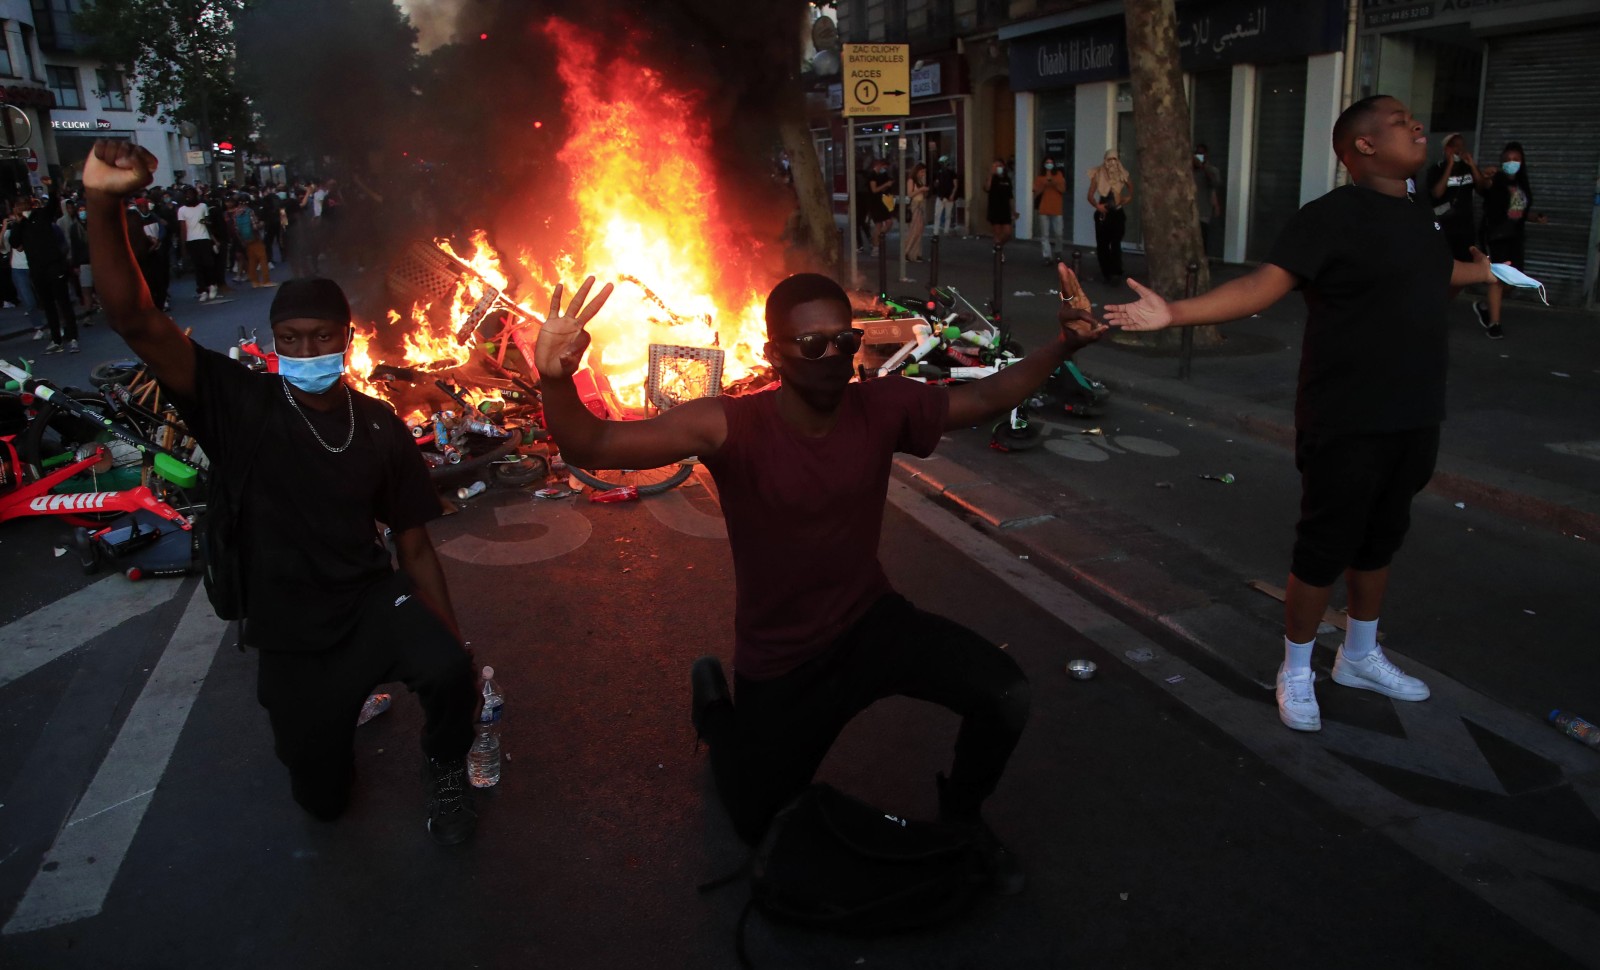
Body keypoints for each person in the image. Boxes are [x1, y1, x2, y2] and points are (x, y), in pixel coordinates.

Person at [534, 267, 1108, 892]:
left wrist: (1063, 346)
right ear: (772, 353)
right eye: (812, 345)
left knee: (1004, 693)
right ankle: (716, 707)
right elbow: (590, 444)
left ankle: (963, 821)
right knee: (758, 822)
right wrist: (556, 378)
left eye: (846, 341)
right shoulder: (729, 425)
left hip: (870, 623)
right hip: (783, 659)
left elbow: (987, 399)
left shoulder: (882, 405)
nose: (833, 356)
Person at [84, 139, 480, 845]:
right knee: (323, 799)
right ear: (273, 343)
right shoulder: (241, 405)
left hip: (367, 603)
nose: (305, 352)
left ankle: (444, 765)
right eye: (291, 340)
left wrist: (450, 638)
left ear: (347, 339)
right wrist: (102, 202)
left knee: (451, 669)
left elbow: (414, 543)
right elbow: (136, 321)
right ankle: (326, 738)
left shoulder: (380, 425)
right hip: (291, 633)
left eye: (320, 338)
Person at [1104, 95, 1501, 733]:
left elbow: (1429, 272)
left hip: (1416, 410)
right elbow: (1264, 284)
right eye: (1399, 122)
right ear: (1363, 146)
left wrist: (1481, 270)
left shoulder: (1420, 216)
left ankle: (1360, 656)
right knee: (1325, 545)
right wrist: (1174, 313)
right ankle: (1296, 667)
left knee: (1381, 538)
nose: (1416, 126)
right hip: (1346, 413)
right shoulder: (1329, 218)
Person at [1473, 141, 1547, 340]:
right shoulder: (1496, 179)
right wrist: (1482, 174)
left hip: (1515, 236)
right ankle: (1494, 324)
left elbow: (1517, 212)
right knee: (1497, 279)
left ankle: (1485, 306)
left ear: (1522, 162)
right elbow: (1482, 187)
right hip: (1495, 236)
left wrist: (1534, 218)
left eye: (1515, 159)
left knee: (1512, 282)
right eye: (1506, 159)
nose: (1510, 163)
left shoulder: (1521, 184)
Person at [10, 180, 79, 354]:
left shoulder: (42, 215)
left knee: (63, 304)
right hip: (37, 270)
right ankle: (56, 339)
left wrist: (51, 187)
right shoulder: (20, 225)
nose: (21, 208)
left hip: (54, 266)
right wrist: (18, 223)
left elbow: (53, 204)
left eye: (24, 204)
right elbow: (14, 243)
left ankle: (72, 338)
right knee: (48, 306)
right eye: (18, 206)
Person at [1085, 150, 1132, 284]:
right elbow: (1090, 195)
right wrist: (1097, 206)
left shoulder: (1122, 173)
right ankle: (1107, 272)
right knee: (1103, 244)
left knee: (1116, 242)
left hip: (1117, 212)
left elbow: (1130, 187)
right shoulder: (1098, 174)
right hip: (1103, 213)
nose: (1112, 162)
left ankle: (1116, 271)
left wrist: (1128, 197)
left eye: (1114, 159)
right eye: (1109, 159)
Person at [2, 201, 41, 341]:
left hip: (34, 265)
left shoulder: (31, 225)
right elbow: (5, 247)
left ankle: (55, 324)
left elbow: (21, 246)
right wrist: (4, 228)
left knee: (43, 297)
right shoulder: (11, 228)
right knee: (28, 301)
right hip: (18, 268)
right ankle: (38, 326)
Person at [125, 194, 170, 312]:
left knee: (161, 278)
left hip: (156, 253)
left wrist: (157, 241)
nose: (144, 208)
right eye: (141, 206)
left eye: (145, 205)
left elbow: (162, 229)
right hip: (143, 257)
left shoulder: (154, 217)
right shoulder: (135, 223)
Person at [176, 188, 221, 302]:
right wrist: (183, 245)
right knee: (198, 266)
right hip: (191, 240)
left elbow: (208, 223)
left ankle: (212, 285)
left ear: (195, 195)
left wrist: (213, 238)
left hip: (204, 238)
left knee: (208, 263)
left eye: (190, 195)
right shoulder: (182, 210)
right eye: (186, 195)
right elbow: (183, 228)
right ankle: (202, 290)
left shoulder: (203, 206)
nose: (188, 197)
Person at [1032, 155, 1066, 265]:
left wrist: (1054, 183)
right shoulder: (1039, 177)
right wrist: (1044, 185)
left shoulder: (1059, 175)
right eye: (1047, 162)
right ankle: (1047, 256)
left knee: (1059, 233)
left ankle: (1058, 252)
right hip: (1044, 208)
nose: (1049, 164)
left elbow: (1063, 189)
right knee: (1044, 234)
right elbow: (1035, 193)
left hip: (1056, 209)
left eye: (1051, 162)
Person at [1191, 144, 1222, 253]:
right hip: (1188, 211)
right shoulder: (1189, 171)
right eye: (1196, 154)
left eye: (1201, 154)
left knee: (1202, 239)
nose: (1198, 156)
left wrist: (1204, 168)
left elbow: (1215, 184)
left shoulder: (1212, 170)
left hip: (1203, 211)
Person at [866, 161, 896, 256]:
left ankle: (877, 238)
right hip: (875, 202)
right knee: (878, 224)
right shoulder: (872, 175)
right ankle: (875, 246)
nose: (885, 169)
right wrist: (886, 184)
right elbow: (874, 190)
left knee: (889, 222)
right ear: (878, 165)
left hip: (882, 201)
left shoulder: (880, 175)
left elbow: (881, 189)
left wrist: (887, 186)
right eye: (884, 167)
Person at [984, 158, 1016, 247]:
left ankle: (998, 246)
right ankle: (998, 252)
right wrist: (990, 174)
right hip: (994, 208)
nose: (998, 167)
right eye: (995, 166)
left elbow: (1010, 196)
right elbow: (987, 188)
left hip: (1005, 209)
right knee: (997, 232)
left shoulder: (1007, 179)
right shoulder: (992, 178)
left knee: (1007, 232)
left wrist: (1013, 210)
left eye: (999, 165)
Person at [903, 162, 929, 262]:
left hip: (920, 205)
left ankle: (916, 254)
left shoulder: (919, 181)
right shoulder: (911, 180)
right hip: (914, 206)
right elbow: (910, 194)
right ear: (917, 171)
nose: (923, 174)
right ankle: (906, 252)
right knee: (913, 231)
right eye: (922, 172)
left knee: (919, 231)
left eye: (924, 172)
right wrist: (921, 189)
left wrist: (924, 191)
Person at [932, 155, 960, 237]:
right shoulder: (938, 173)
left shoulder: (952, 173)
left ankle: (946, 231)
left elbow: (955, 185)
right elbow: (936, 184)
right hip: (940, 196)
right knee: (937, 214)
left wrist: (952, 195)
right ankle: (935, 231)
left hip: (948, 197)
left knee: (948, 215)